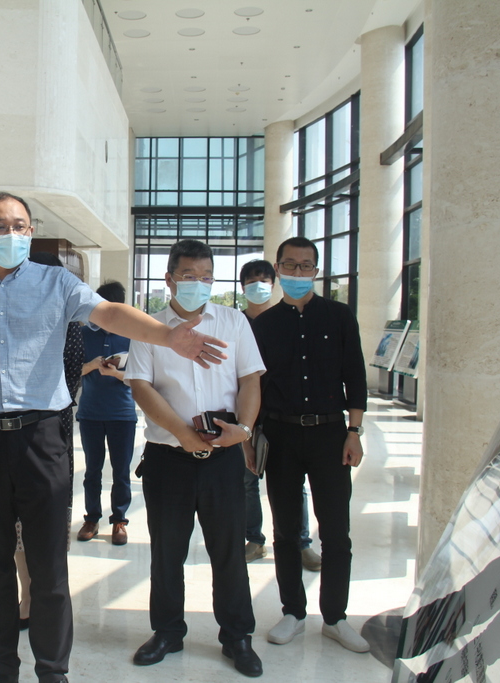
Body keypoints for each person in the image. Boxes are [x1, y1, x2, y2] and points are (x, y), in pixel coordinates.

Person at [0, 192, 228, 683]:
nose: (12, 234)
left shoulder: (57, 282)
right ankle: (0, 664)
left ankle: (52, 670)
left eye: (20, 226)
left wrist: (167, 335)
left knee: (49, 565)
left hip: (42, 438)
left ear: (30, 231)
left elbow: (109, 314)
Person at [126, 239, 264, 678]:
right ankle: (167, 632)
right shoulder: (150, 327)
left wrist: (243, 430)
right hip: (168, 458)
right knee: (167, 552)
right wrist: (184, 435)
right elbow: (141, 386)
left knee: (229, 551)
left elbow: (250, 379)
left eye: (207, 277)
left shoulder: (234, 321)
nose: (199, 284)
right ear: (169, 279)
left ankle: (237, 636)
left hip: (223, 456)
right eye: (189, 276)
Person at [252, 236, 369, 653]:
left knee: (336, 531)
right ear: (278, 269)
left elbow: (355, 374)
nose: (297, 272)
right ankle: (293, 612)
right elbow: (254, 385)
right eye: (290, 265)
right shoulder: (263, 324)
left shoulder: (339, 316)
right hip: (280, 435)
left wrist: (354, 431)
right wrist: (250, 438)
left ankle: (335, 617)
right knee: (285, 531)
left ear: (316, 271)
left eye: (305, 266)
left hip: (330, 434)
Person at [13, 251, 85, 630]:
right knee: (16, 525)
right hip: (4, 434)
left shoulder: (68, 324)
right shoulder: (7, 319)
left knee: (47, 519)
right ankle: (27, 594)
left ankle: (44, 595)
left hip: (51, 430)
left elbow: (70, 380)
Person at [239, 260, 321, 572]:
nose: (258, 286)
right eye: (252, 280)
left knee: (294, 484)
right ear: (243, 286)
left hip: (282, 414)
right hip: (246, 413)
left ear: (273, 284)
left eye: (264, 280)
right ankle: (254, 539)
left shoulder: (286, 320)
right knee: (247, 481)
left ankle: (301, 542)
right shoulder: (237, 323)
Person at [76, 281, 137, 546]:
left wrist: (115, 373)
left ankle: (119, 520)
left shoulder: (132, 336)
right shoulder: (83, 334)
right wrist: (91, 366)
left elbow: (140, 377)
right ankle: (91, 518)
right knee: (92, 470)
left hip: (122, 414)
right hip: (90, 412)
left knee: (121, 471)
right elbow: (70, 371)